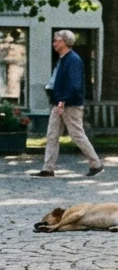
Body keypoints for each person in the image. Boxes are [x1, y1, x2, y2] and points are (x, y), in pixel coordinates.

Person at [34, 30, 103, 178]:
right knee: (52, 135)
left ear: (65, 42)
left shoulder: (73, 60)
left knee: (77, 134)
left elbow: (75, 85)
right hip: (59, 102)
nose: (54, 43)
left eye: (57, 40)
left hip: (69, 104)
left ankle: (96, 163)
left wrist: (63, 100)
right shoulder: (64, 59)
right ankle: (48, 168)